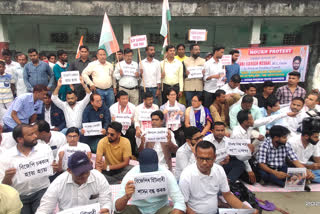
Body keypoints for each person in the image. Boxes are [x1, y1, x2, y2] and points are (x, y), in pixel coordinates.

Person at [179, 141, 258, 214]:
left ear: (214, 157)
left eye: (208, 159)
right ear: (196, 157)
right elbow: (183, 205)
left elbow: (227, 195)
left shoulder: (219, 170)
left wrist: (247, 210)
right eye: (201, 158)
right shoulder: (186, 175)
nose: (204, 163)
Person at [0, 124, 57, 214]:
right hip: (19, 195)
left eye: (34, 133)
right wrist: (7, 177)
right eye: (31, 134)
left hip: (42, 191)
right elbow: (4, 186)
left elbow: (51, 172)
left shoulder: (45, 149)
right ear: (20, 139)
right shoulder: (6, 157)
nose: (35, 136)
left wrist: (55, 168)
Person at [36, 151, 112, 214]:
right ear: (69, 170)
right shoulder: (58, 183)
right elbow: (45, 208)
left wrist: (106, 209)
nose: (85, 175)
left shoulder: (99, 178)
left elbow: (106, 201)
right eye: (80, 173)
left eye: (87, 171)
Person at [114, 148, 186, 214]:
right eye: (146, 169)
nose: (149, 173)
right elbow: (116, 207)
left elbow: (179, 201)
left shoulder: (166, 174)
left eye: (152, 169)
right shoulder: (131, 175)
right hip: (138, 209)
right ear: (139, 164)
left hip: (160, 209)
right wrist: (126, 197)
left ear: (158, 163)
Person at [230, 110, 263, 184]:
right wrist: (249, 171)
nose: (253, 120)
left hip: (247, 155)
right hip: (237, 158)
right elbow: (241, 156)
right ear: (245, 122)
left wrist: (286, 114)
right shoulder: (236, 134)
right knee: (250, 178)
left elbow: (265, 121)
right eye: (251, 119)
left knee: (259, 177)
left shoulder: (249, 127)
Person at [288, 118, 320, 183]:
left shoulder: (314, 142)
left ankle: (308, 178)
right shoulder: (292, 142)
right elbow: (290, 163)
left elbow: (317, 158)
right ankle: (307, 178)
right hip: (293, 166)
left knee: (314, 172)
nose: (318, 139)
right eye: (316, 137)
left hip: (307, 165)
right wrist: (308, 167)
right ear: (306, 136)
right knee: (298, 175)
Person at [110, 90, 137, 157]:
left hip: (129, 128)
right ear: (118, 100)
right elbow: (111, 122)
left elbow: (136, 120)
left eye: (127, 98)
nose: (125, 101)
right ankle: (117, 154)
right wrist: (113, 120)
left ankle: (131, 153)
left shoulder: (133, 107)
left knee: (132, 131)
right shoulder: (113, 108)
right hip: (117, 129)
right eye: (123, 99)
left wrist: (133, 121)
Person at [0, 60, 15, 125]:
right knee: (1, 113)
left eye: (0, 67)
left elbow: (12, 86)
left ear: (4, 67)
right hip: (0, 99)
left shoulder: (9, 76)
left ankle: (10, 125)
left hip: (9, 97)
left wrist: (12, 94)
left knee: (10, 112)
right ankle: (2, 126)